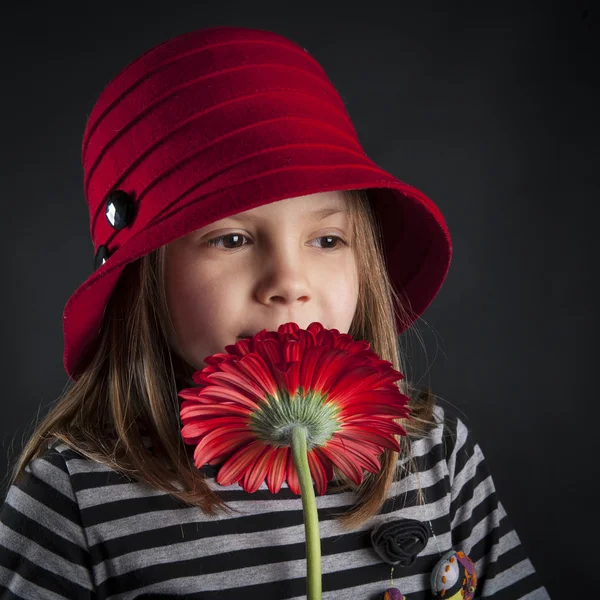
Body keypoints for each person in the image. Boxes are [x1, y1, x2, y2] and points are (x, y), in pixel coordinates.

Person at [0, 26, 550, 599]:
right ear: (145, 280)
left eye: (328, 239)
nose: (289, 283)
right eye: (232, 240)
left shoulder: (436, 455)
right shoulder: (73, 499)